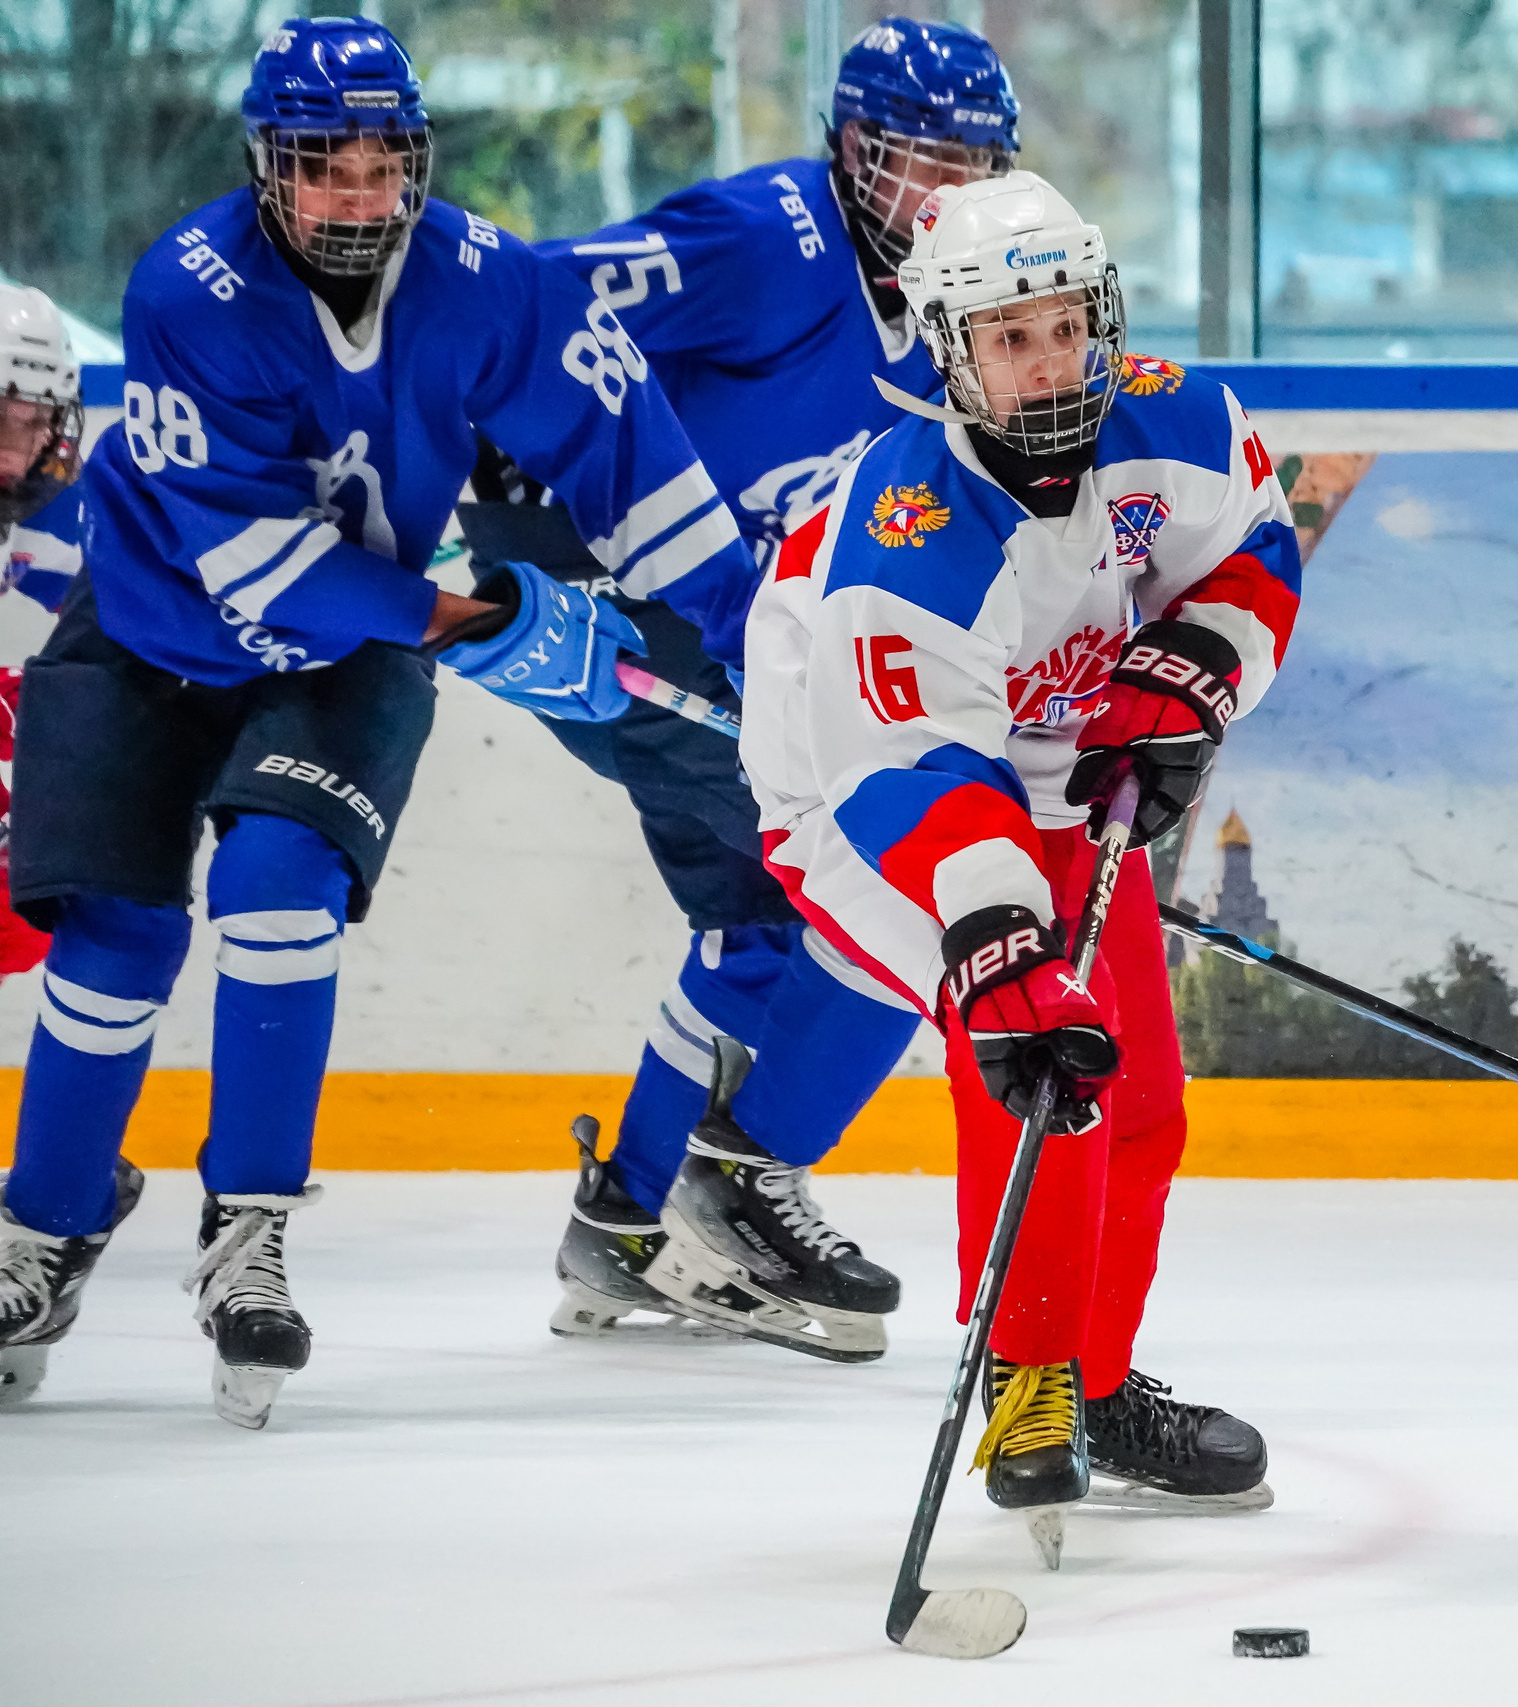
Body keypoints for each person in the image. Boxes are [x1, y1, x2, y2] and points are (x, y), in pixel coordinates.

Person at [0, 17, 759, 1425]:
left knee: (280, 894)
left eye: (381, 163)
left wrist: (745, 630)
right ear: (266, 165)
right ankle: (40, 1231)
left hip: (341, 660)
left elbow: (625, 448)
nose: (359, 196)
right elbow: (243, 551)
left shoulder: (484, 280)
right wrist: (479, 621)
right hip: (153, 628)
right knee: (115, 940)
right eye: (322, 167)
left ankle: (251, 1238)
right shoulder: (191, 285)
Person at [739, 171, 1298, 1538]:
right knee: (1038, 1051)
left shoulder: (1172, 415)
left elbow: (1254, 551)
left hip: (1046, 772)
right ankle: (1030, 1377)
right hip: (856, 790)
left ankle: (1098, 1384)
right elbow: (911, 768)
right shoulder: (906, 535)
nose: (1050, 364)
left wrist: (1190, 679)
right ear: (950, 352)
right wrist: (997, 944)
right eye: (1010, 337)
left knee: (1144, 1097)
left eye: (1066, 325)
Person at [479, 17, 1021, 1355]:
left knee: (756, 932)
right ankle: (743, 1182)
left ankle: (624, 1231)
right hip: (626, 604)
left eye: (975, 168)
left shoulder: (953, 320)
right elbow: (525, 306)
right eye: (919, 164)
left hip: (733, 639)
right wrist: (497, 453)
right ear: (850, 150)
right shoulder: (774, 235)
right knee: (884, 868)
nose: (945, 198)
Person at [0, 283, 84, 986]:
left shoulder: (49, 517)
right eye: (0, 416)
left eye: (35, 421)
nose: (16, 446)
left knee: (19, 906)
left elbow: (120, 633)